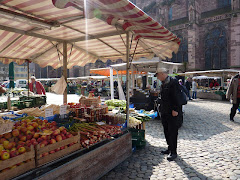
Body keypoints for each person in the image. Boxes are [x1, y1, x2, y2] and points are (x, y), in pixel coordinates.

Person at [155, 68, 181, 161]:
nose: (157, 78)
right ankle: (169, 148)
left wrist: (175, 109)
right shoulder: (164, 83)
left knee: (172, 131)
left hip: (172, 111)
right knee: (166, 130)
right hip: (164, 110)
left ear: (162, 74)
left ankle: (174, 152)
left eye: (157, 75)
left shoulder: (173, 82)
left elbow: (177, 97)